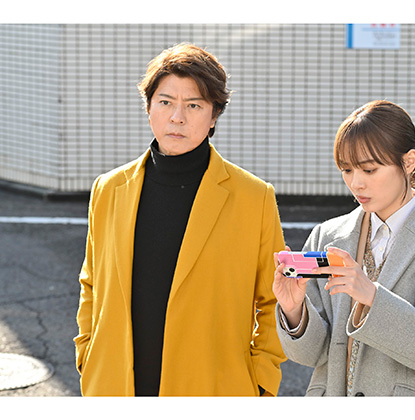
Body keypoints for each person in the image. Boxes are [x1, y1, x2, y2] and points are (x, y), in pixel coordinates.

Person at [74, 43, 286, 396]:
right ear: (149, 107)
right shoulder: (109, 189)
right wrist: (87, 354)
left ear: (214, 115)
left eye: (194, 105)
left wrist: (261, 382)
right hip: (115, 384)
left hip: (213, 387)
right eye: (165, 102)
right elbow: (91, 282)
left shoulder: (253, 197)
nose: (177, 117)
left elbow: (273, 299)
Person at [273, 100, 415, 396]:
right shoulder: (327, 235)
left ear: (408, 162)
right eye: (347, 170)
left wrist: (372, 297)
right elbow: (313, 355)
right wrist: (294, 310)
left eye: (369, 170)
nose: (356, 183)